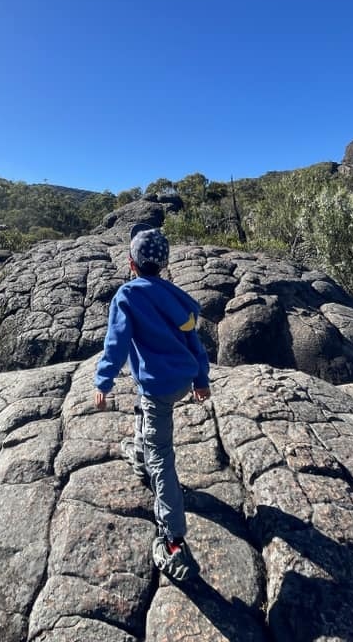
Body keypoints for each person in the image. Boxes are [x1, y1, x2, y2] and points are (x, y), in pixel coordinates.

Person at [94, 223, 211, 582]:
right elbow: (195, 343)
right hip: (181, 380)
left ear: (131, 263)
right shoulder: (176, 297)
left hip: (158, 386)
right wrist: (201, 378)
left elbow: (115, 343)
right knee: (145, 413)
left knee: (162, 455)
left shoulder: (127, 296)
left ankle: (173, 541)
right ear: (163, 264)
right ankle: (140, 455)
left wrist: (103, 380)